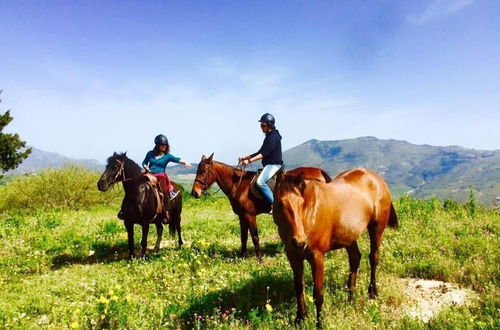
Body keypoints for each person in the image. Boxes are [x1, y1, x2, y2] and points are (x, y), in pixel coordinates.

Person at [142, 134, 192, 222]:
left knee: (164, 191)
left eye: (165, 145)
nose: (164, 147)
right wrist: (146, 167)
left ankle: (166, 211)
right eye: (162, 145)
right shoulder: (150, 153)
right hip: (150, 174)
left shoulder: (167, 156)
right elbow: (144, 162)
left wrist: (185, 163)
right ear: (157, 145)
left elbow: (177, 159)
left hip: (160, 176)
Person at [239, 113, 283, 206]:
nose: (261, 127)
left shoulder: (273, 137)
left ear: (269, 125)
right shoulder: (269, 136)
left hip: (274, 165)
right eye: (261, 125)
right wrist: (246, 157)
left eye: (263, 125)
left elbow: (263, 154)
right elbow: (260, 151)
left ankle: (275, 205)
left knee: (260, 182)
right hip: (269, 165)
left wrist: (249, 161)